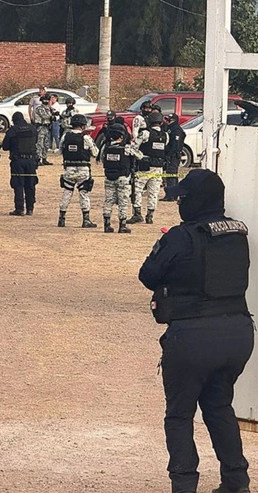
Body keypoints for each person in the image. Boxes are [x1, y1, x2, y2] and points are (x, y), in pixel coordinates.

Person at [138, 169, 253, 493]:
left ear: (194, 201)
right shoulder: (237, 233)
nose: (180, 205)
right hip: (238, 334)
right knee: (219, 407)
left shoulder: (180, 236)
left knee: (179, 415)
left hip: (192, 337)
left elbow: (148, 275)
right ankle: (236, 483)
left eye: (183, 199)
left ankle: (185, 486)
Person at [57, 114, 99, 228]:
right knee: (84, 194)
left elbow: (60, 150)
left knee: (67, 192)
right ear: (82, 125)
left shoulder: (66, 136)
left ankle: (61, 218)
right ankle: (86, 220)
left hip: (69, 169)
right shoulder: (86, 137)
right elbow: (95, 153)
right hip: (83, 169)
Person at [100, 123, 142, 233]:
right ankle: (122, 226)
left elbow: (101, 158)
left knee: (108, 201)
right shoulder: (127, 148)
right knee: (123, 202)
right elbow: (140, 156)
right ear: (122, 136)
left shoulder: (106, 147)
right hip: (123, 178)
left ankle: (107, 224)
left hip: (109, 177)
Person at [128, 111, 167, 225]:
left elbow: (133, 147)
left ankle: (137, 214)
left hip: (145, 166)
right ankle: (150, 215)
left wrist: (140, 157)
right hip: (158, 167)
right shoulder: (165, 135)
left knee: (137, 190)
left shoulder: (145, 133)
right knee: (153, 192)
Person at [2, 111, 39, 216]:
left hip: (18, 161)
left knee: (18, 184)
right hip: (31, 161)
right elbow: (35, 141)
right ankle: (30, 208)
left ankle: (19, 209)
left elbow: (5, 146)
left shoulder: (12, 130)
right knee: (30, 184)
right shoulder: (32, 128)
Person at [162, 113, 185, 201]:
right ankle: (174, 194)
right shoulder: (170, 129)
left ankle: (171, 195)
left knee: (171, 174)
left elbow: (175, 145)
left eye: (169, 120)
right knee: (172, 174)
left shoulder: (176, 130)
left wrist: (170, 154)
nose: (167, 122)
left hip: (173, 156)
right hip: (171, 155)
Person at [33, 94, 54, 166]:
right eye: (44, 100)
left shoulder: (49, 108)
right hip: (41, 127)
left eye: (47, 100)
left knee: (46, 144)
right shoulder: (39, 108)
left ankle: (44, 158)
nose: (46, 101)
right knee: (40, 144)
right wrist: (52, 115)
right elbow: (44, 116)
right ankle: (38, 159)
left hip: (47, 127)